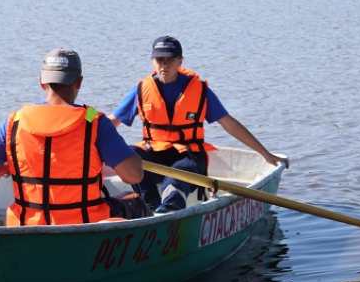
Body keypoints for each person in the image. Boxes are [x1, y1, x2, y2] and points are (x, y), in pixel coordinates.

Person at [108, 36, 289, 214]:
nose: (164, 65)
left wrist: (265, 154)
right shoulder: (141, 90)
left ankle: (170, 209)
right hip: (155, 154)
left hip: (190, 156)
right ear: (153, 61)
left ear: (180, 61)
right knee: (129, 155)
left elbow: (230, 125)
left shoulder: (200, 90)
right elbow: (109, 125)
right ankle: (150, 206)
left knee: (178, 172)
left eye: (170, 59)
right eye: (159, 60)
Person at [0, 48, 147, 226]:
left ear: (41, 82)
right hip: (86, 225)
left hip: (26, 226)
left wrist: (6, 169)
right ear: (79, 82)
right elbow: (133, 176)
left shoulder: (14, 122)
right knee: (134, 201)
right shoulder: (94, 122)